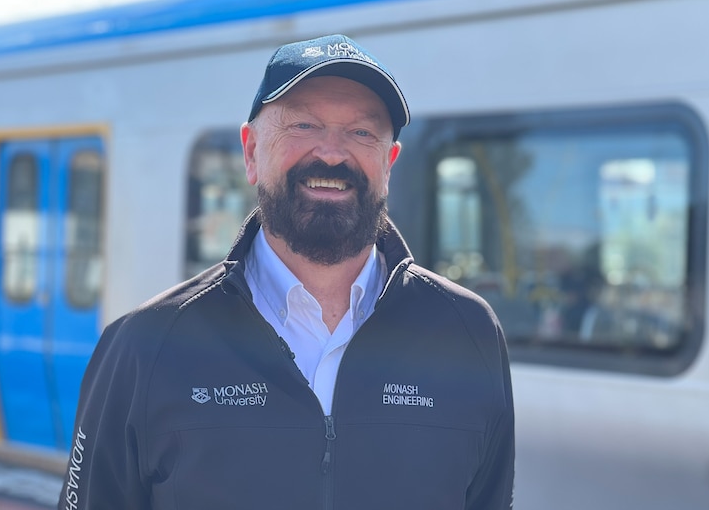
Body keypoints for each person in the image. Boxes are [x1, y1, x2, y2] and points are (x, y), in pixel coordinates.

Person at [57, 34, 515, 510]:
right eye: (303, 125)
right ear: (251, 152)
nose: (333, 153)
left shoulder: (469, 334)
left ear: (388, 163)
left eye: (362, 132)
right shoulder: (145, 344)